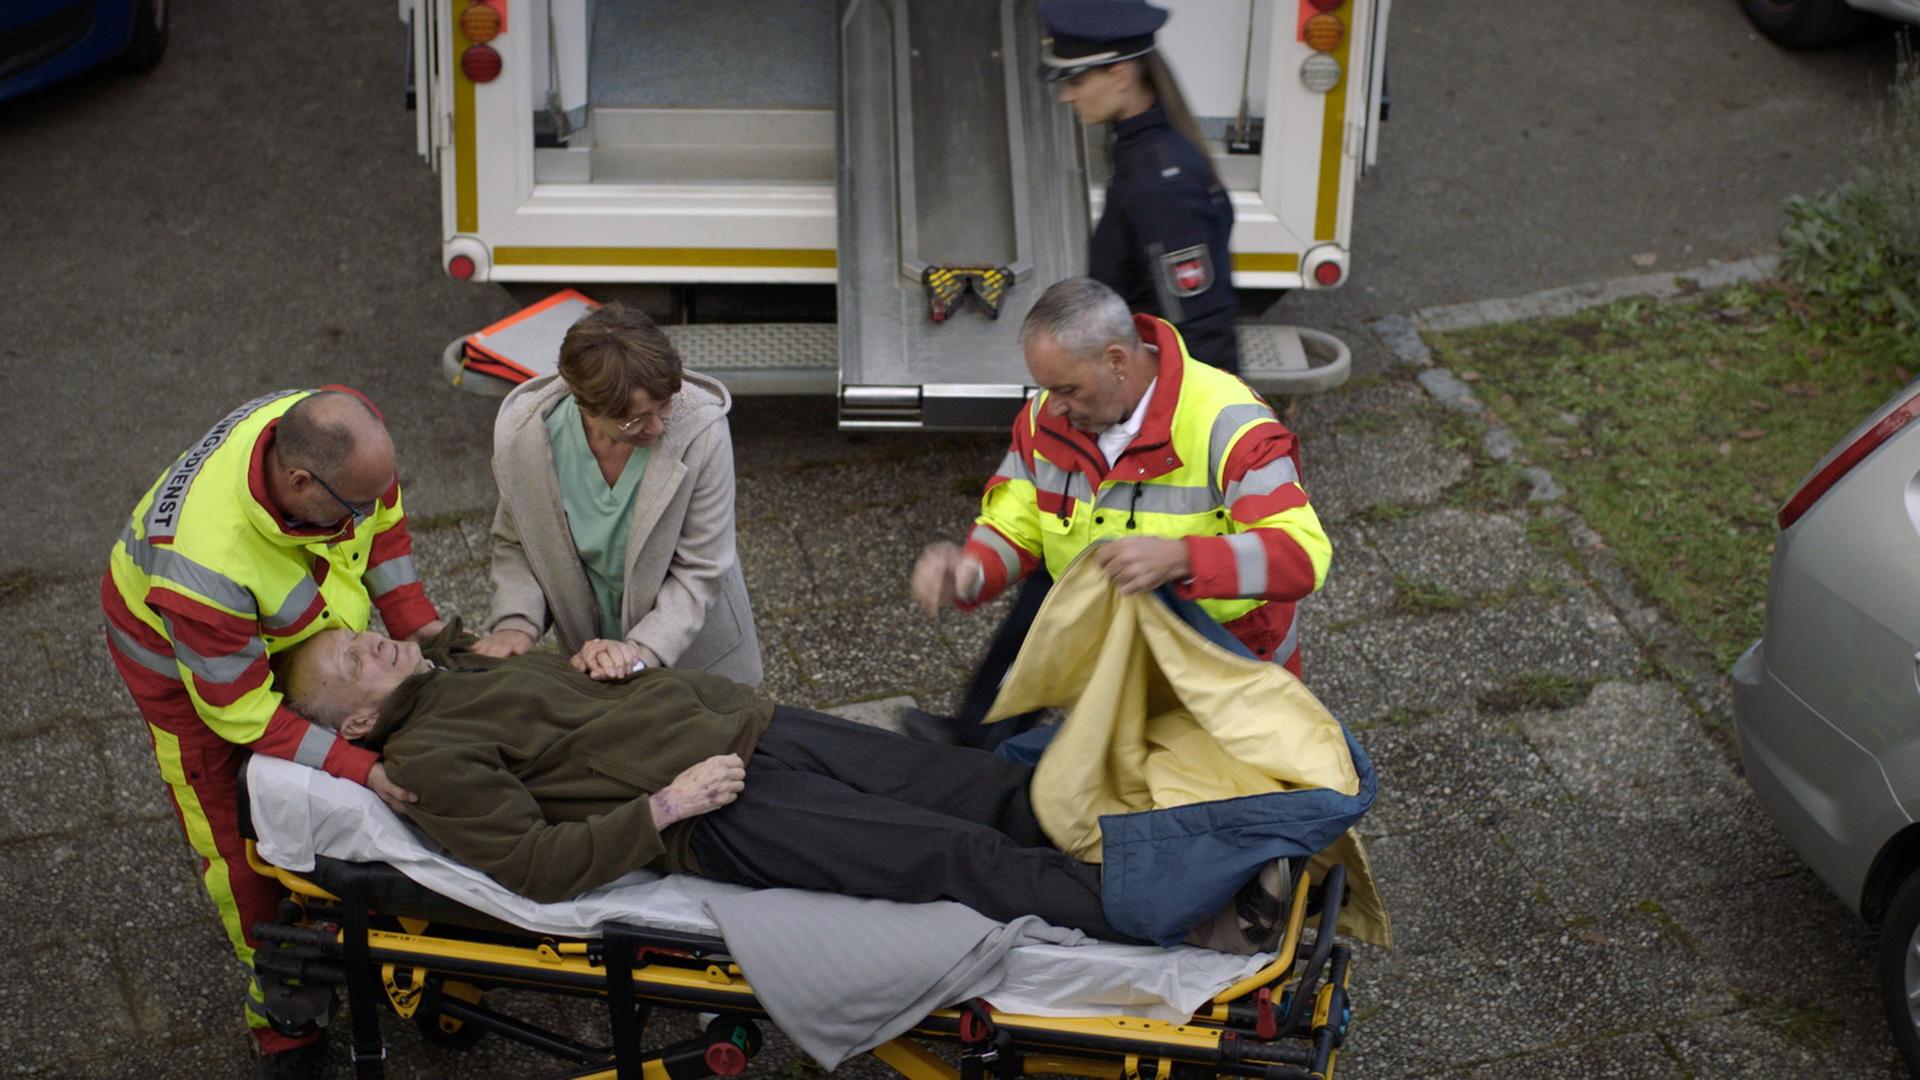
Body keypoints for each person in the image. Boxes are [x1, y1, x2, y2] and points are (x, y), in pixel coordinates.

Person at [278, 623, 1282, 955]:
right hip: (723, 806)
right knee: (955, 857)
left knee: (986, 788)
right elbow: (534, 868)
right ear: (356, 726)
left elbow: (574, 702)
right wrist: (665, 809)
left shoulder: (466, 661)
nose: (373, 641)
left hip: (758, 727)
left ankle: (1189, 835)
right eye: (355, 663)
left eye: (360, 634)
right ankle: (1187, 916)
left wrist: (612, 652)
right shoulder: (428, 758)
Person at [102, 387, 444, 1079]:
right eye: (352, 507)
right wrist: (357, 766)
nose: (365, 517)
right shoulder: (206, 567)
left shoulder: (342, 437)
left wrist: (417, 625)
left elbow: (382, 524)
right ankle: (285, 1018)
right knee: (240, 852)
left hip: (290, 634)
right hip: (191, 677)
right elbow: (243, 713)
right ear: (299, 483)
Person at [911, 278, 1329, 746]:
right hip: (1120, 668)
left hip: (1225, 674)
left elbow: (1302, 555)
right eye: (1047, 389)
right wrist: (971, 571)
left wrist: (1183, 558)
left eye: (1067, 389)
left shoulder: (1230, 424)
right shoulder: (1044, 418)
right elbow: (1015, 523)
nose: (1054, 408)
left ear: (1116, 361)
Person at [470, 303, 761, 685]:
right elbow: (517, 542)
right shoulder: (527, 438)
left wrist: (638, 653)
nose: (657, 427)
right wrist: (515, 621)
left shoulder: (703, 433)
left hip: (696, 661)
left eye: (664, 406)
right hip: (594, 661)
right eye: (635, 420)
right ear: (586, 406)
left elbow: (702, 568)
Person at [1040, 0, 1241, 374]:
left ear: (1120, 76)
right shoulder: (1140, 155)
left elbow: (1199, 329)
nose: (1066, 95)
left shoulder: (1161, 181)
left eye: (1077, 81)